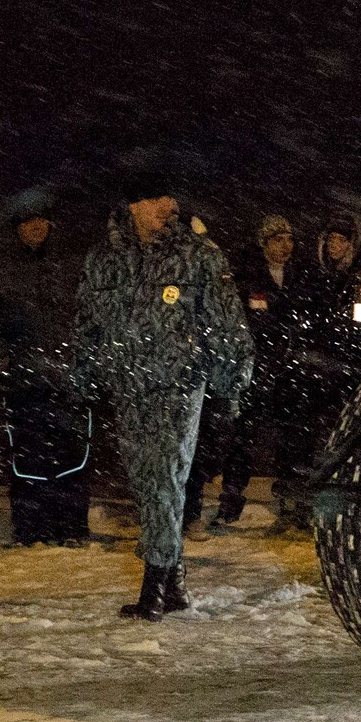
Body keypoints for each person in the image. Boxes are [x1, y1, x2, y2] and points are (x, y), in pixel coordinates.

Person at [74, 180, 251, 620]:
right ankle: (175, 585)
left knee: (165, 475)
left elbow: (227, 324)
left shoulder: (200, 257)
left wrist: (231, 383)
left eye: (170, 198)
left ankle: (153, 583)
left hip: (179, 384)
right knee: (147, 483)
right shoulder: (105, 260)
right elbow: (87, 320)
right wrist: (83, 374)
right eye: (154, 198)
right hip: (127, 385)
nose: (166, 206)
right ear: (131, 203)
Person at [0, 208, 90, 546]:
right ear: (17, 226)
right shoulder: (0, 267)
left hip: (66, 378)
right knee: (28, 457)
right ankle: (32, 529)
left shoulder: (67, 264)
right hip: (23, 378)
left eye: (43, 221)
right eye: (29, 221)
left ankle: (72, 528)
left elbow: (89, 312)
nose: (37, 228)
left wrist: (83, 354)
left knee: (72, 456)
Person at [203, 215, 310, 529]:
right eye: (278, 240)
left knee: (293, 437)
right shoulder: (246, 274)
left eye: (289, 239)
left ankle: (292, 500)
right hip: (255, 367)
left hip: (291, 369)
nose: (285, 246)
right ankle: (231, 502)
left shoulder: (300, 275)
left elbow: (303, 317)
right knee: (243, 436)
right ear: (264, 243)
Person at [286, 211, 361, 524]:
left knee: (338, 436)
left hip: (345, 367)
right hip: (316, 365)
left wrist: (340, 346)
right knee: (307, 434)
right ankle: (303, 500)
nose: (335, 246)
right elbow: (301, 315)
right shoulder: (314, 274)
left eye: (342, 240)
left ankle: (334, 501)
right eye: (332, 239)